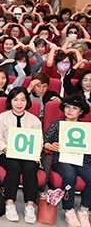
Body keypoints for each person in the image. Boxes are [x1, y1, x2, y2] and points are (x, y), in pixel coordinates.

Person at [0, 87, 42, 223]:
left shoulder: (34, 121)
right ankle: (9, 203)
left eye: (23, 100)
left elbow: (39, 141)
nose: (19, 103)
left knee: (30, 168)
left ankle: (30, 205)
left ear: (27, 101)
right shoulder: (1, 118)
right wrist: (5, 148)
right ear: (10, 101)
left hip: (27, 155)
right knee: (14, 167)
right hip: (7, 154)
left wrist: (36, 154)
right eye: (15, 100)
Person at [43, 94, 91, 227]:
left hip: (82, 160)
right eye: (67, 107)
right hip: (62, 160)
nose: (69, 110)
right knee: (70, 176)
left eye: (74, 108)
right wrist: (50, 146)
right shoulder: (57, 124)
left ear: (81, 111)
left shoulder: (86, 128)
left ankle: (84, 209)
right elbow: (44, 141)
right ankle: (68, 209)